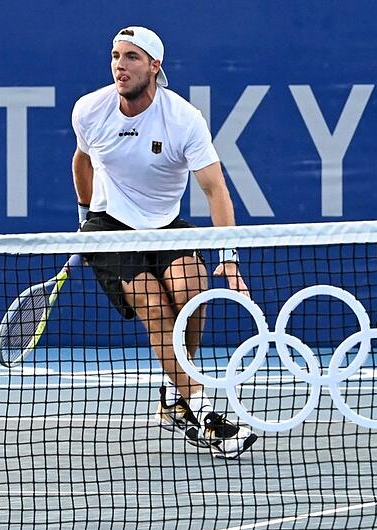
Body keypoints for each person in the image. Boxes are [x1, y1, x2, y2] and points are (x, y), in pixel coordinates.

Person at [71, 26, 258, 459]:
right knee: (155, 307)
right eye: (116, 56)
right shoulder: (90, 111)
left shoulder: (183, 119)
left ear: (154, 66)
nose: (120, 65)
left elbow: (216, 189)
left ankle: (175, 394)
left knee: (192, 292)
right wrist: (82, 219)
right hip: (109, 225)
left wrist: (228, 260)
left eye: (132, 57)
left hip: (165, 222)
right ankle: (204, 410)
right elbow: (81, 159)